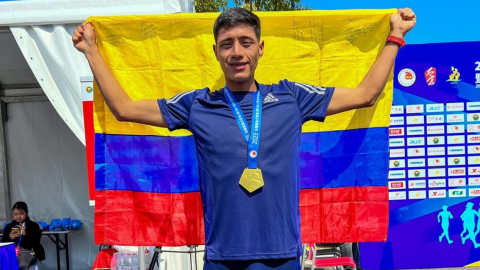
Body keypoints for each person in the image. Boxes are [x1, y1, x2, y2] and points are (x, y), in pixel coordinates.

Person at [72, 7, 416, 270]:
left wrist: (395, 36)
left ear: (260, 48)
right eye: (227, 45)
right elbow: (123, 108)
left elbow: (367, 94)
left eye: (245, 42)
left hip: (282, 256)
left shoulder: (292, 97)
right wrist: (91, 51)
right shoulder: (197, 105)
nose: (237, 52)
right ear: (216, 52)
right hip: (223, 257)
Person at [1, 201, 45, 270]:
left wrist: (24, 235)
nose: (18, 216)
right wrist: (9, 237)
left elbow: (35, 244)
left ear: (26, 213)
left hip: (30, 252)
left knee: (21, 261)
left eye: (21, 214)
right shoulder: (9, 226)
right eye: (15, 214)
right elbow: (3, 244)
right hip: (13, 252)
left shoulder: (33, 226)